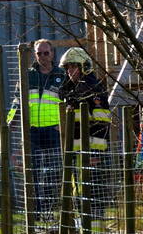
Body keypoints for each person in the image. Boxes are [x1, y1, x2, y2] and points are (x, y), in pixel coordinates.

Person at [12, 39, 67, 215]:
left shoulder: (62, 75)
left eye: (46, 53)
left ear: (52, 54)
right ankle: (36, 211)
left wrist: (63, 124)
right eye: (39, 53)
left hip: (54, 130)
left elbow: (69, 102)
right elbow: (17, 100)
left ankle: (51, 208)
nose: (43, 56)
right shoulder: (28, 75)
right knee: (33, 171)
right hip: (33, 130)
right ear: (35, 55)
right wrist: (12, 120)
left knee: (53, 171)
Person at [58, 47, 112, 216]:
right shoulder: (69, 90)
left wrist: (95, 153)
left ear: (83, 67)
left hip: (91, 151)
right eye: (67, 67)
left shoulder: (93, 89)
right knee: (78, 191)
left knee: (94, 193)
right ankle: (83, 232)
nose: (69, 71)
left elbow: (102, 122)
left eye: (73, 67)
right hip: (75, 150)